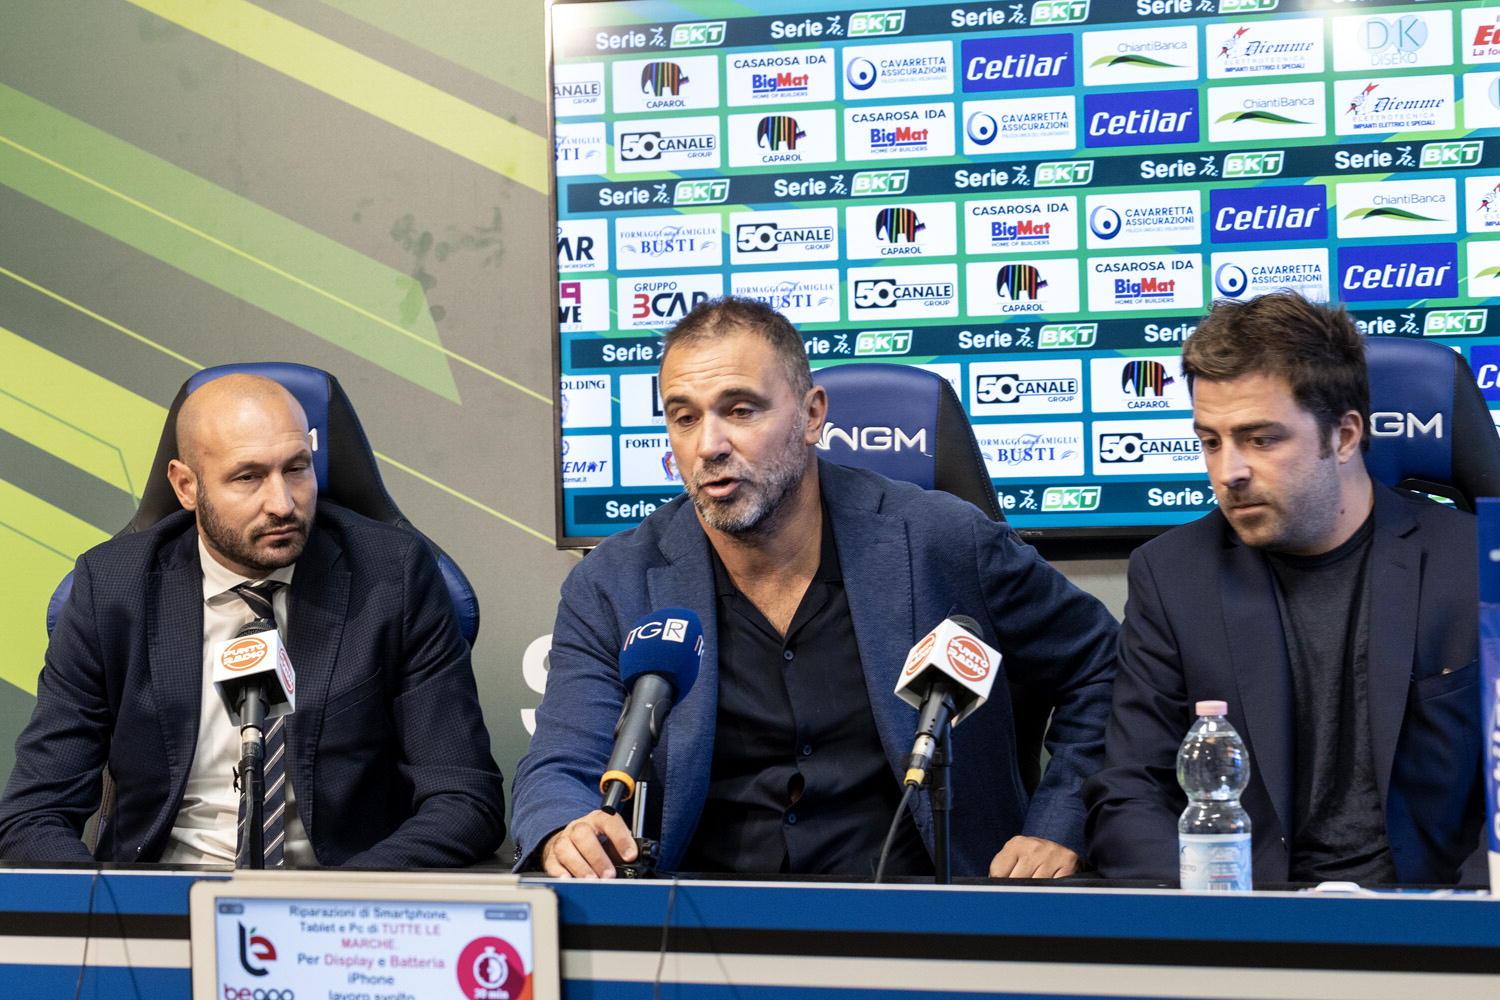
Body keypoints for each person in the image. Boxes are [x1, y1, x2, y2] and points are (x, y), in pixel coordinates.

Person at [513, 297, 1117, 879]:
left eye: (741, 409)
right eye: (685, 416)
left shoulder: (944, 541)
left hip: (923, 926)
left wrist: (1061, 820)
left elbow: (1106, 666)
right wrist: (565, 830)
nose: (709, 445)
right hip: (703, 932)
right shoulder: (615, 583)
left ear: (811, 415)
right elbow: (559, 764)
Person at [0, 374, 505, 867]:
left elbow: (464, 801)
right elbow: (34, 813)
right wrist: (109, 914)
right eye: (248, 477)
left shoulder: (391, 578)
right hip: (163, 893)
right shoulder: (112, 587)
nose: (282, 503)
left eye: (297, 469)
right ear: (185, 485)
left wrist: (336, 908)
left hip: (339, 900)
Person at [1084, 292, 1484, 885]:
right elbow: (1128, 795)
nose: (1229, 472)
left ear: (1345, 436)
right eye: (1211, 441)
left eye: (1261, 439)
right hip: (1248, 924)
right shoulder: (1171, 576)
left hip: (1435, 927)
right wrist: (1216, 920)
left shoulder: (1475, 565)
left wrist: (1465, 928)